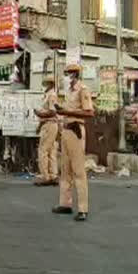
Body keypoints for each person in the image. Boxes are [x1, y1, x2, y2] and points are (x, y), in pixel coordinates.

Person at [52, 63, 94, 222]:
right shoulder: (69, 91)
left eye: (68, 73)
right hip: (66, 129)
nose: (67, 76)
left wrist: (67, 112)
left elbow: (89, 112)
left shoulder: (83, 90)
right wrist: (61, 110)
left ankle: (83, 209)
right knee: (65, 170)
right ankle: (65, 203)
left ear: (75, 74)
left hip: (76, 129)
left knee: (78, 171)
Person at [34, 75, 60, 187]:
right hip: (48, 124)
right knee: (51, 151)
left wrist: (40, 114)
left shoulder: (51, 95)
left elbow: (52, 112)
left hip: (49, 124)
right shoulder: (48, 95)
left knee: (43, 151)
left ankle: (45, 176)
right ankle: (53, 175)